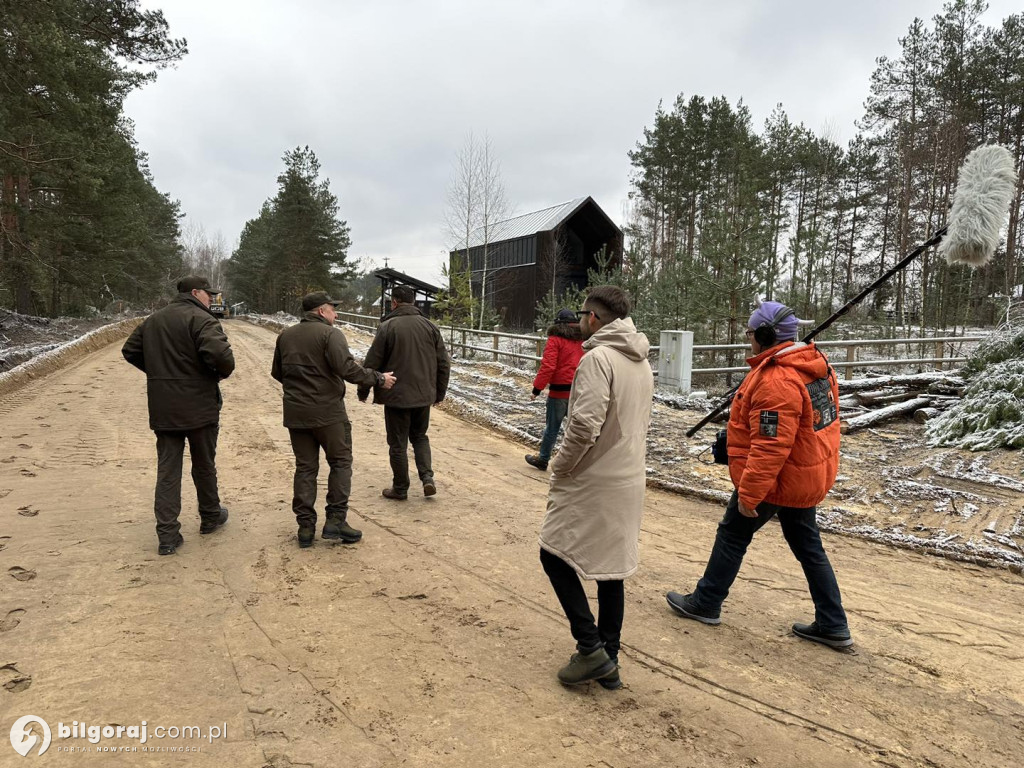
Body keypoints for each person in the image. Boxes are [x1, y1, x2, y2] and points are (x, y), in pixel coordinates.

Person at [666, 301, 852, 649]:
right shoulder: (814, 365)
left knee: (733, 533)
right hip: (804, 476)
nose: (748, 339)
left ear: (766, 336)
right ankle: (833, 623)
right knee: (809, 546)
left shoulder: (777, 380)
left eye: (751, 333)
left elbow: (770, 447)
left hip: (778, 479)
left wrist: (750, 494)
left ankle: (706, 602)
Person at [538, 285, 654, 689]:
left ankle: (590, 649)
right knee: (611, 571)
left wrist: (560, 466)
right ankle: (610, 656)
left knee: (552, 554)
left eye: (586, 314)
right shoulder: (640, 360)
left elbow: (585, 425)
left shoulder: (598, 359)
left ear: (594, 318)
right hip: (629, 474)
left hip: (596, 477)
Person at [271, 292, 396, 548]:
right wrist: (379, 378)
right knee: (340, 463)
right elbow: (347, 369)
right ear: (320, 311)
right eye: (332, 310)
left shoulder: (285, 336)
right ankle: (335, 521)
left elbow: (278, 372)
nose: (336, 314)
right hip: (328, 413)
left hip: (296, 414)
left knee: (305, 467)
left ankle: (305, 528)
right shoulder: (331, 335)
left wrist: (301, 389)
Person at [122, 275, 235, 556]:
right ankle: (210, 516)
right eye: (208, 295)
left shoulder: (154, 320)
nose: (211, 299)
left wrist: (159, 373)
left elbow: (130, 350)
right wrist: (213, 374)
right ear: (195, 293)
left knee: (168, 469)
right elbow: (223, 358)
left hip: (164, 406)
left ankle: (167, 534)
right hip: (199, 405)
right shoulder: (202, 319)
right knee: (204, 463)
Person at [358, 285, 450, 500]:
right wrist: (439, 393)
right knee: (420, 437)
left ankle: (400, 488)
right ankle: (427, 478)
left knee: (398, 443)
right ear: (414, 301)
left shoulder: (387, 327)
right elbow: (444, 363)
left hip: (396, 396)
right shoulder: (430, 327)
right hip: (423, 395)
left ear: (394, 302)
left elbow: (372, 362)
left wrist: (364, 389)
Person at [525, 308, 584, 471]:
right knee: (578, 429)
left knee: (552, 427)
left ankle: (543, 459)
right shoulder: (583, 339)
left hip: (559, 392)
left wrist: (537, 389)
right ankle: (577, 464)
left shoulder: (555, 339)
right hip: (579, 391)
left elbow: (548, 366)